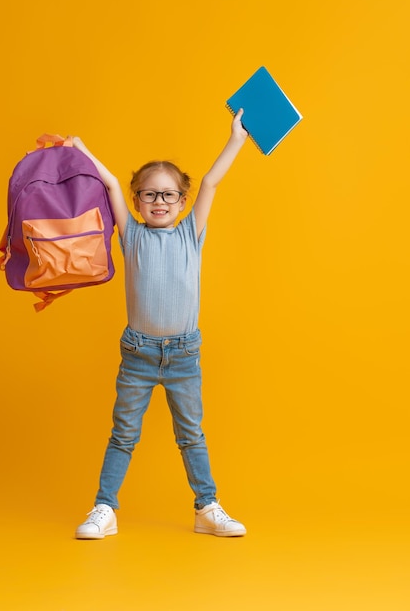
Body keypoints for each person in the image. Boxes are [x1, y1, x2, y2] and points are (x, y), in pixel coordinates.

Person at [72, 109, 248, 539]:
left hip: (184, 355)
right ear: (136, 202)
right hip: (139, 354)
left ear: (183, 202)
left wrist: (237, 139)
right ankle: (104, 508)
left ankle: (206, 507)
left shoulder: (192, 233)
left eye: (169, 196)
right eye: (150, 195)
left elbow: (210, 181)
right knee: (123, 434)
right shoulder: (131, 235)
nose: (159, 203)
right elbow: (110, 182)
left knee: (191, 435)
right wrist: (79, 152)